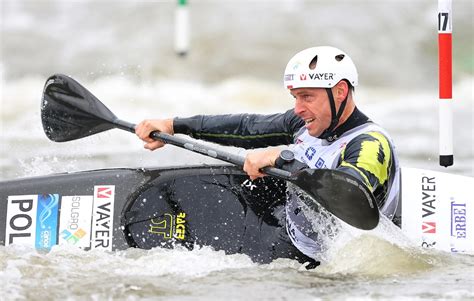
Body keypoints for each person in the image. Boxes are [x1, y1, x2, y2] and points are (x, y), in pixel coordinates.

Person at [135, 46, 400, 261]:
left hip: (326, 257)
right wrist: (174, 126)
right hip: (292, 224)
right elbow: (246, 128)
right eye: (295, 97)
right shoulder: (306, 124)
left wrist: (283, 158)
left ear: (340, 92)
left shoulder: (370, 144)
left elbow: (347, 197)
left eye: (307, 97)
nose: (298, 108)